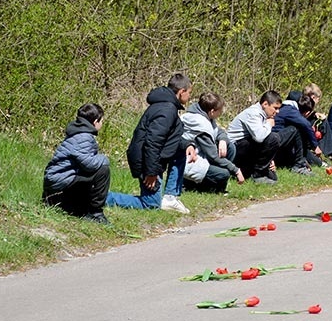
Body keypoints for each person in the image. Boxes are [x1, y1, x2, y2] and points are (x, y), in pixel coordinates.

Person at [106, 74, 194, 214]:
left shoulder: (166, 105)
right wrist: (151, 172)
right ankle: (101, 197)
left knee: (181, 149)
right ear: (182, 91)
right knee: (151, 204)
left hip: (150, 157)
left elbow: (169, 137)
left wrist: (188, 145)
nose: (189, 97)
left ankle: (170, 198)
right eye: (189, 93)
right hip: (145, 160)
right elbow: (152, 142)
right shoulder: (167, 109)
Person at [43, 103, 111, 224]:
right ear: (95, 122)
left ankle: (79, 207)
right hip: (59, 185)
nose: (102, 124)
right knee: (103, 170)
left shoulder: (76, 132)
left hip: (58, 182)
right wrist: (104, 159)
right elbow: (89, 164)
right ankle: (96, 212)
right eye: (102, 121)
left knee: (93, 172)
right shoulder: (84, 136)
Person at [180, 92, 245, 193]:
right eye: (220, 111)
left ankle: (218, 187)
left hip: (202, 155)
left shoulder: (204, 114)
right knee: (224, 174)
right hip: (190, 162)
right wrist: (236, 170)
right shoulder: (199, 124)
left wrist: (223, 140)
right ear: (212, 111)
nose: (221, 113)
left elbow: (218, 131)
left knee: (230, 147)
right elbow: (213, 156)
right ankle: (196, 185)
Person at [226, 90, 285, 184]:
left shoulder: (263, 114)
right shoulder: (253, 113)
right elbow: (259, 137)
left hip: (245, 147)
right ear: (265, 104)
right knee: (274, 138)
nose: (277, 111)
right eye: (275, 108)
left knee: (273, 177)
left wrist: (270, 159)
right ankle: (258, 175)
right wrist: (269, 124)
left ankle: (255, 172)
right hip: (235, 150)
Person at [272, 92, 321, 174]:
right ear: (307, 113)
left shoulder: (283, 108)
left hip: (276, 142)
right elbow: (306, 125)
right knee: (296, 130)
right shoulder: (290, 110)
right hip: (276, 144)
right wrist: (315, 146)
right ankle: (299, 165)